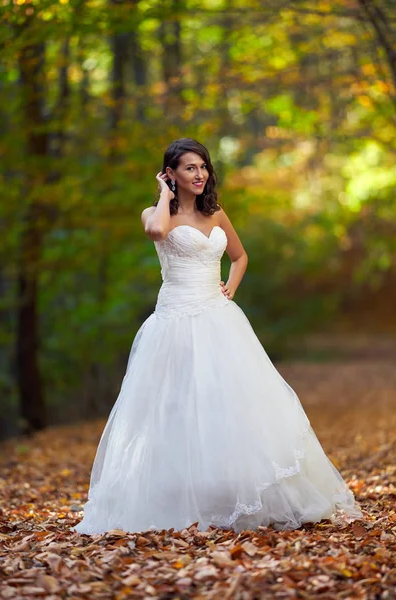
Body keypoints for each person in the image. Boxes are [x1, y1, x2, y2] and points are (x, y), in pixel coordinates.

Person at [73, 138, 363, 534]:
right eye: (189, 168)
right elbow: (157, 231)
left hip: (220, 317)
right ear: (171, 173)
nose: (199, 174)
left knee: (232, 403)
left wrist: (231, 285)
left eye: (203, 167)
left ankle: (239, 494)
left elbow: (240, 257)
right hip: (175, 320)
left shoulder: (216, 213)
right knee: (176, 407)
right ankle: (180, 497)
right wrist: (163, 192)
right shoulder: (158, 213)